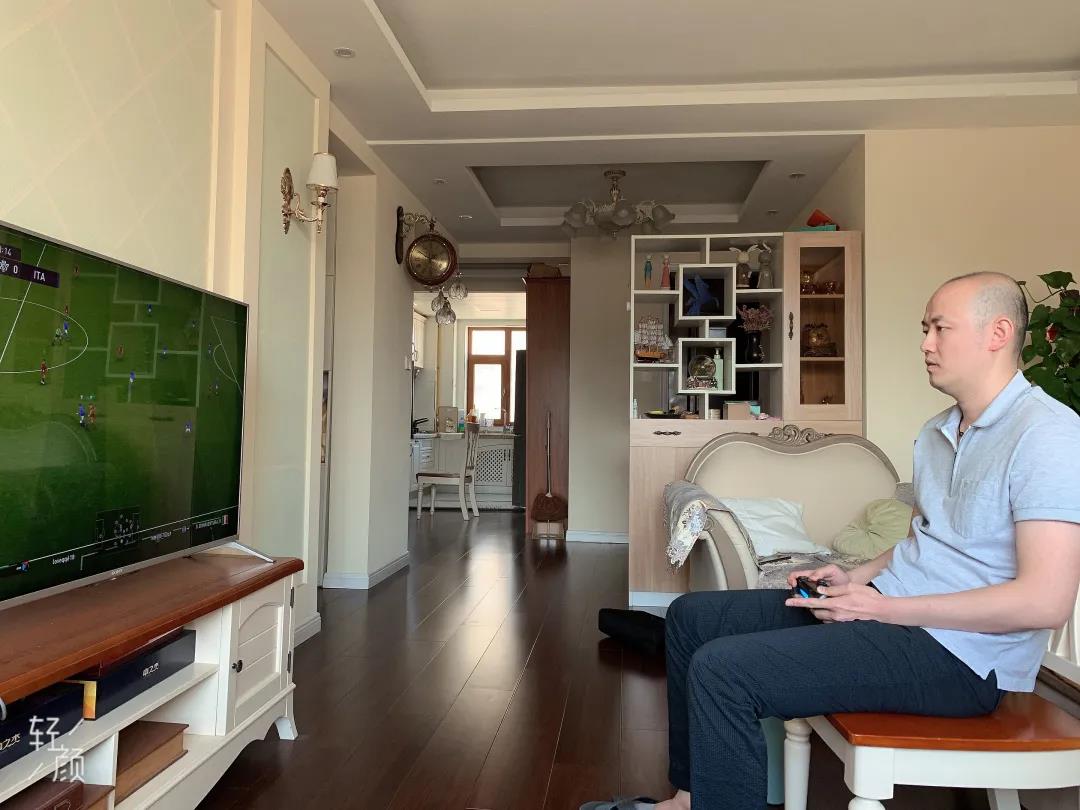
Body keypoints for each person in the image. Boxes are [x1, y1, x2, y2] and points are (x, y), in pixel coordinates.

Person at [653, 272, 1080, 810]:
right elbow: (927, 541)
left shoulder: (1047, 435)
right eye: (924, 329)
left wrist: (884, 608)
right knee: (690, 618)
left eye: (940, 328)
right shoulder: (938, 433)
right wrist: (854, 578)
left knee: (724, 671)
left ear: (997, 333)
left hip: (962, 658)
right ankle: (690, 798)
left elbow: (1044, 602)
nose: (925, 344)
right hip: (895, 615)